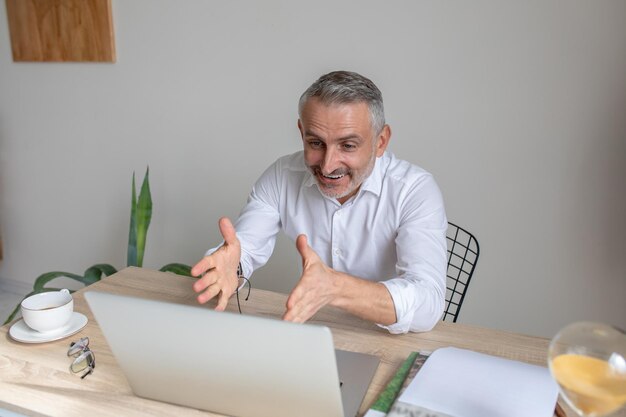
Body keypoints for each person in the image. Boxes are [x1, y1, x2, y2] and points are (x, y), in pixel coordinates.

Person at [191, 71, 447, 334]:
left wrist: (336, 288)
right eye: (316, 143)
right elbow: (244, 248)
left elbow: (428, 304)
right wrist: (231, 267)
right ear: (302, 132)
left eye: (347, 146)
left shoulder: (415, 190)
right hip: (317, 332)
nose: (327, 165)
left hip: (387, 341)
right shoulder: (282, 176)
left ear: (380, 142)